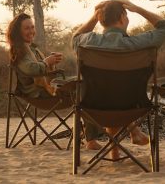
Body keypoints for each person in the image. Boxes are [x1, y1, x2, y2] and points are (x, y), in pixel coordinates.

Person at [72, 0, 165, 157]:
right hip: (134, 107)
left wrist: (94, 18)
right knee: (119, 90)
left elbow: (75, 37)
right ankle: (130, 136)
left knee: (108, 88)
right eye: (126, 16)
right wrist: (138, 9)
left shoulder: (87, 42)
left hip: (94, 108)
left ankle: (116, 150)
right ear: (122, 18)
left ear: (101, 20)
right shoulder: (140, 43)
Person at [7, 13, 102, 148]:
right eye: (27, 28)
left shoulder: (32, 49)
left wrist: (52, 64)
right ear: (18, 31)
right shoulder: (19, 50)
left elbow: (44, 72)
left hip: (46, 89)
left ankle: (89, 135)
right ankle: (90, 138)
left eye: (32, 27)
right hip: (38, 94)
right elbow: (30, 69)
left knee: (87, 82)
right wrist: (46, 62)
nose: (31, 31)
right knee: (85, 88)